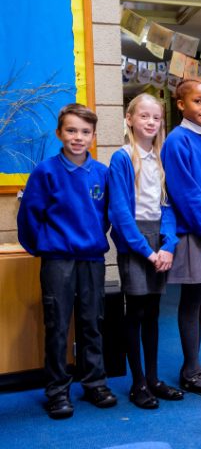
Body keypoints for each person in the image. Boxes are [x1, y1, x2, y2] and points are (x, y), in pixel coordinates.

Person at [17, 104, 116, 419]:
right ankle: (58, 390)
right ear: (60, 133)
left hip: (91, 259)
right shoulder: (45, 172)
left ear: (93, 136)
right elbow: (29, 218)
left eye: (85, 132)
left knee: (92, 323)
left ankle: (95, 382)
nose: (78, 137)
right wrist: (45, 247)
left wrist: (90, 241)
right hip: (57, 259)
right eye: (71, 131)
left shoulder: (102, 173)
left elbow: (106, 218)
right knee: (57, 325)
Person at [108, 93, 184, 409]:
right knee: (136, 311)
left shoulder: (161, 159)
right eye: (144, 116)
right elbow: (121, 213)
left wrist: (168, 245)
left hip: (157, 240)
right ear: (130, 119)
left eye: (156, 117)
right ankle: (137, 382)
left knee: (153, 312)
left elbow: (167, 207)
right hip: (134, 243)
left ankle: (153, 378)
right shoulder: (123, 158)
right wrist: (147, 252)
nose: (151, 122)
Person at [161, 78, 201, 396]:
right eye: (198, 102)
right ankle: (189, 370)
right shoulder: (177, 141)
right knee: (191, 301)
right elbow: (187, 193)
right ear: (181, 104)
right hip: (193, 234)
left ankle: (196, 365)